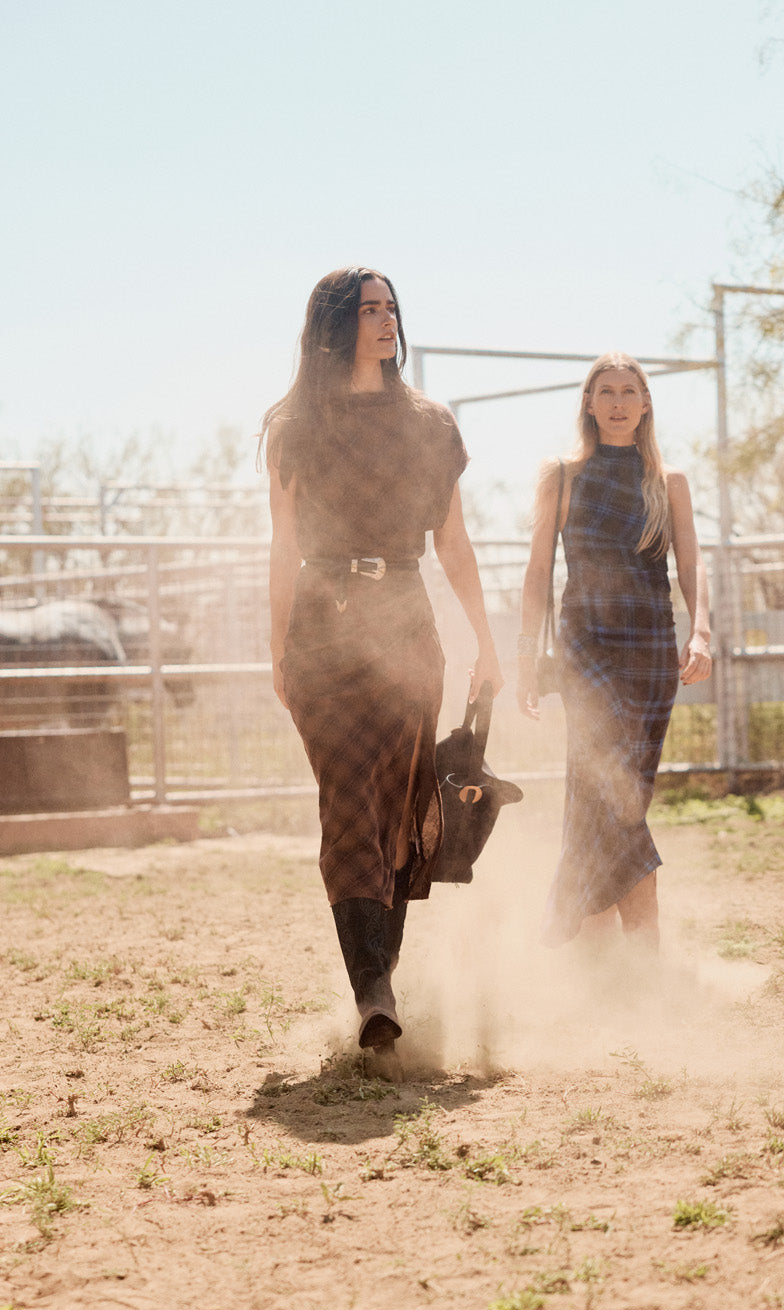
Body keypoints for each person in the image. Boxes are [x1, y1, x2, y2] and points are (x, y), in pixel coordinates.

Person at [262, 267, 503, 1078]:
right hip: (322, 628)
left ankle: (379, 991)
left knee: (400, 815)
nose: (385, 319)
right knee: (346, 803)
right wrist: (276, 651)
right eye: (369, 309)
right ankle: (374, 992)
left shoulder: (431, 426)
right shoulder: (295, 424)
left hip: (406, 620)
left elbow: (454, 546)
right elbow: (284, 544)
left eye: (391, 307)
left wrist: (487, 641)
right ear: (334, 325)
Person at [517, 351, 711, 949]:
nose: (620, 402)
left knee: (616, 790)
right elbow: (536, 572)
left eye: (631, 391)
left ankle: (583, 937)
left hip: (652, 647)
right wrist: (527, 658)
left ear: (646, 403)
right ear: (589, 402)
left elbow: (693, 565)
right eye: (607, 391)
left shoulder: (668, 481)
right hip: (586, 647)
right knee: (610, 784)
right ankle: (641, 946)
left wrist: (700, 632)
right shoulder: (563, 475)